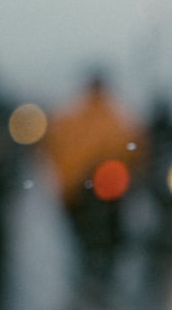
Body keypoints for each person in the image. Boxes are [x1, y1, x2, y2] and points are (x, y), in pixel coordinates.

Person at [39, 70, 148, 292]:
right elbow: (137, 149)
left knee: (86, 238)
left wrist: (67, 179)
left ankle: (91, 277)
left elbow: (51, 147)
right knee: (105, 237)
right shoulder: (118, 117)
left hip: (79, 190)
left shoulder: (71, 117)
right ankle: (97, 278)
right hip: (102, 190)